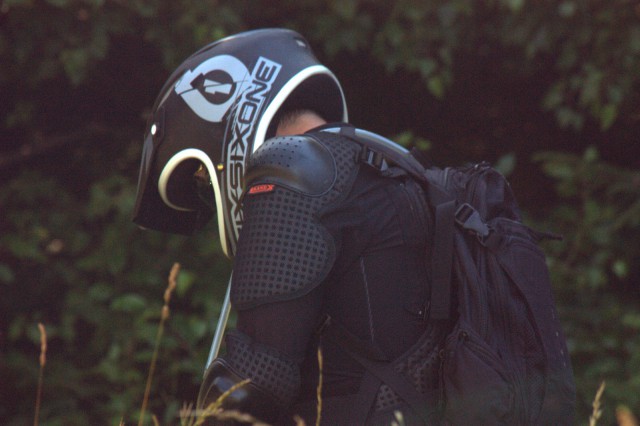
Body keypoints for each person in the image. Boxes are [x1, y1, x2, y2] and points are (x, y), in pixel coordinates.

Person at [133, 28, 448, 425]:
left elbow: (249, 387)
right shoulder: (397, 174)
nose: (206, 193)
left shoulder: (293, 174)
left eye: (200, 177)